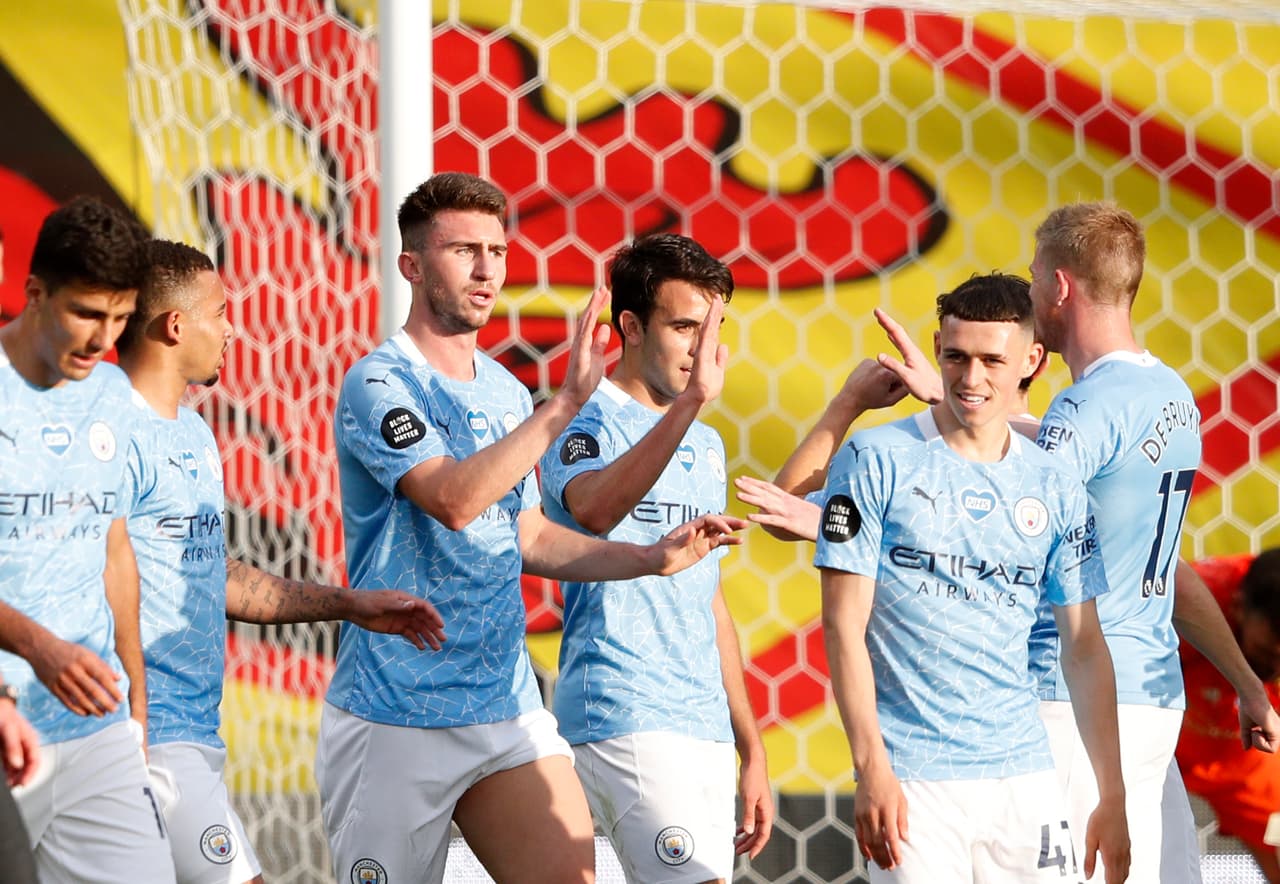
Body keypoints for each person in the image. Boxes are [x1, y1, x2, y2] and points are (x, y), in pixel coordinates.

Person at [315, 172, 746, 884]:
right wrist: (564, 405)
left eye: (498, 250)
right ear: (413, 267)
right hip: (395, 710)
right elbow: (453, 502)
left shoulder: (506, 391)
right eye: (464, 251)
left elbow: (529, 536)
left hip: (503, 704)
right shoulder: (378, 382)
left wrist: (646, 557)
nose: (487, 269)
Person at [112, 238, 448, 884]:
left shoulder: (190, 428)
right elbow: (89, 574)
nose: (232, 330)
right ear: (176, 326)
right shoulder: (108, 430)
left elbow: (217, 577)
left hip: (193, 734)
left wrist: (349, 604)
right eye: (221, 312)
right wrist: (131, 719)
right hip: (149, 737)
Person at [815, 274, 1129, 882]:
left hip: (1025, 776)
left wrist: (1110, 794)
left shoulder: (1055, 484)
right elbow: (842, 625)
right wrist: (870, 764)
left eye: (992, 360)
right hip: (914, 777)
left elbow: (1085, 645)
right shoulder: (875, 458)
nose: (971, 378)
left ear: (1032, 360)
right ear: (937, 346)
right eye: (956, 357)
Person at [1025, 201, 1280, 883]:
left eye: (1032, 277)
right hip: (1153, 698)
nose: (1029, 293)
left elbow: (1020, 530)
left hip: (1074, 697)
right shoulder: (1171, 396)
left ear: (1059, 288)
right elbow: (1163, 572)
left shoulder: (1079, 408)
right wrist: (1249, 684)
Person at [538, 233, 772, 882]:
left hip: (701, 727)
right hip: (622, 709)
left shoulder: (706, 443)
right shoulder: (584, 422)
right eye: (685, 326)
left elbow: (709, 598)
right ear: (631, 326)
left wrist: (751, 748)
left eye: (715, 327)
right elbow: (593, 511)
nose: (704, 349)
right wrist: (694, 402)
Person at [0, 196, 177, 880]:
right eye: (87, 313)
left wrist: (134, 699)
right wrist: (39, 648)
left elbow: (113, 550)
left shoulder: (112, 398)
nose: (105, 338)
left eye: (122, 317)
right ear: (36, 292)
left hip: (92, 723)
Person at [1176, 549, 1280, 882]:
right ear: (1238, 607)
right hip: (1166, 742)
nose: (1275, 669)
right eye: (1267, 655)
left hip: (1244, 752)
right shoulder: (1191, 599)